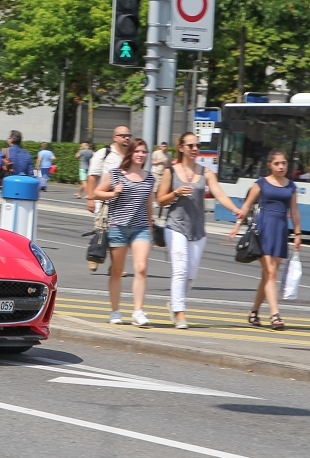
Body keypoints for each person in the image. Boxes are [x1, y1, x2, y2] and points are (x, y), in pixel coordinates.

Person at [157, 132, 243, 329]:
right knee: (179, 269)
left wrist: (234, 209)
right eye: (191, 146)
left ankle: (174, 303)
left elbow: (219, 193)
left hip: (197, 229)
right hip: (176, 226)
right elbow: (160, 199)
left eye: (197, 146)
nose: (195, 149)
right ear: (181, 148)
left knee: (190, 276)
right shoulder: (171, 171)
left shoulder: (205, 172)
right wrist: (175, 193)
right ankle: (180, 314)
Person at [229, 148, 302, 331]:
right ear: (269, 165)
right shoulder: (261, 184)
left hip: (280, 230)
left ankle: (254, 311)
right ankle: (275, 315)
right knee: (270, 273)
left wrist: (298, 234)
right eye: (277, 163)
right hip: (263, 228)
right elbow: (246, 206)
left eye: (284, 163)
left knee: (268, 275)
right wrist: (237, 225)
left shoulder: (291, 186)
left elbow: (294, 211)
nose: (281, 166)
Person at [93, 137, 155, 327]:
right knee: (117, 272)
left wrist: (151, 227)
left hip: (141, 228)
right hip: (118, 226)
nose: (141, 154)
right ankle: (115, 311)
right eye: (137, 151)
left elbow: (148, 204)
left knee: (141, 268)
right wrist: (113, 193)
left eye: (144, 152)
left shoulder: (150, 177)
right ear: (131, 153)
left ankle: (138, 311)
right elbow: (97, 193)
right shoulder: (115, 174)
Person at [86, 127, 132, 272]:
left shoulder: (132, 155)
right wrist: (90, 198)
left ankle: (115, 266)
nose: (126, 138)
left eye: (128, 136)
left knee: (120, 234)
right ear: (115, 137)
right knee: (103, 231)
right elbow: (92, 177)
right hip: (105, 201)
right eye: (123, 135)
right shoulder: (104, 154)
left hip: (124, 203)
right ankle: (95, 255)